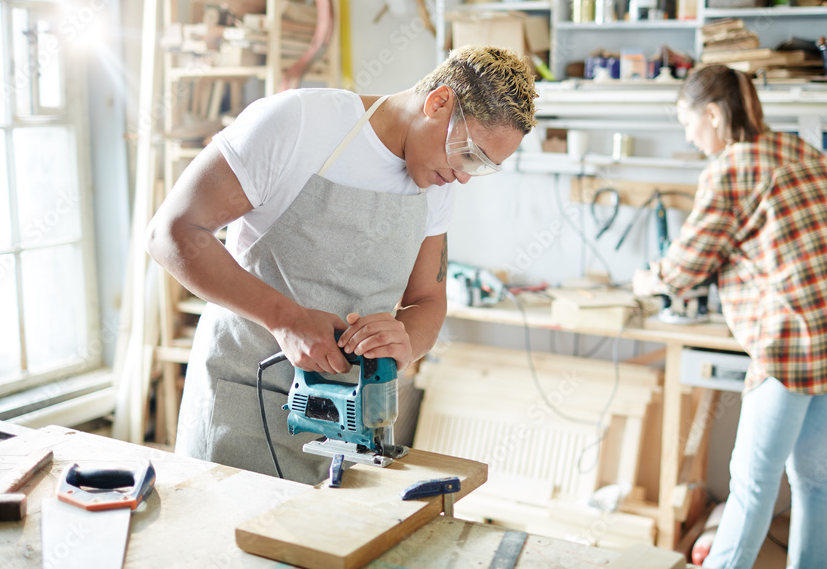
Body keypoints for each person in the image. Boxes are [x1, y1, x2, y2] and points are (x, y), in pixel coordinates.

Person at [147, 45, 538, 484]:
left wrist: (406, 340)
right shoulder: (298, 125)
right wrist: (286, 319)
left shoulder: (438, 181)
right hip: (244, 402)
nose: (465, 175)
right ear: (438, 103)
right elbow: (173, 233)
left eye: (483, 167)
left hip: (349, 424)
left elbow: (428, 299)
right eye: (469, 153)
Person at [632, 64, 827, 569]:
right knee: (814, 477)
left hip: (794, 340)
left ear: (712, 113)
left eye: (688, 123)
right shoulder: (805, 153)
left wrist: (648, 279)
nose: (689, 135)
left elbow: (688, 266)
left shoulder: (732, 165)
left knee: (751, 482)